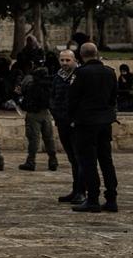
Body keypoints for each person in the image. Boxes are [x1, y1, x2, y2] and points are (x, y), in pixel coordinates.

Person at [68, 42, 118, 213]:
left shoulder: (81, 73)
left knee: (88, 162)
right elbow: (113, 97)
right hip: (105, 122)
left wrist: (72, 117)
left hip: (86, 122)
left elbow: (72, 98)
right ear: (97, 53)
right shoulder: (110, 72)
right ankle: (111, 199)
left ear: (81, 55)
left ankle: (93, 199)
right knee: (106, 161)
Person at [50, 49, 84, 204]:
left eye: (67, 60)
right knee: (72, 158)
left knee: (80, 158)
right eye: (62, 60)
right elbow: (53, 97)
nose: (64, 63)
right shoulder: (57, 77)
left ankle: (81, 191)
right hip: (62, 122)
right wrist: (56, 115)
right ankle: (76, 189)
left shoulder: (80, 75)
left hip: (76, 124)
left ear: (74, 60)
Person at [17, 62, 57, 171]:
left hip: (33, 114)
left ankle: (31, 162)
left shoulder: (32, 85)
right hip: (46, 113)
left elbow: (25, 101)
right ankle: (53, 160)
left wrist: (19, 95)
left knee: (33, 139)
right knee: (49, 139)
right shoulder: (49, 84)